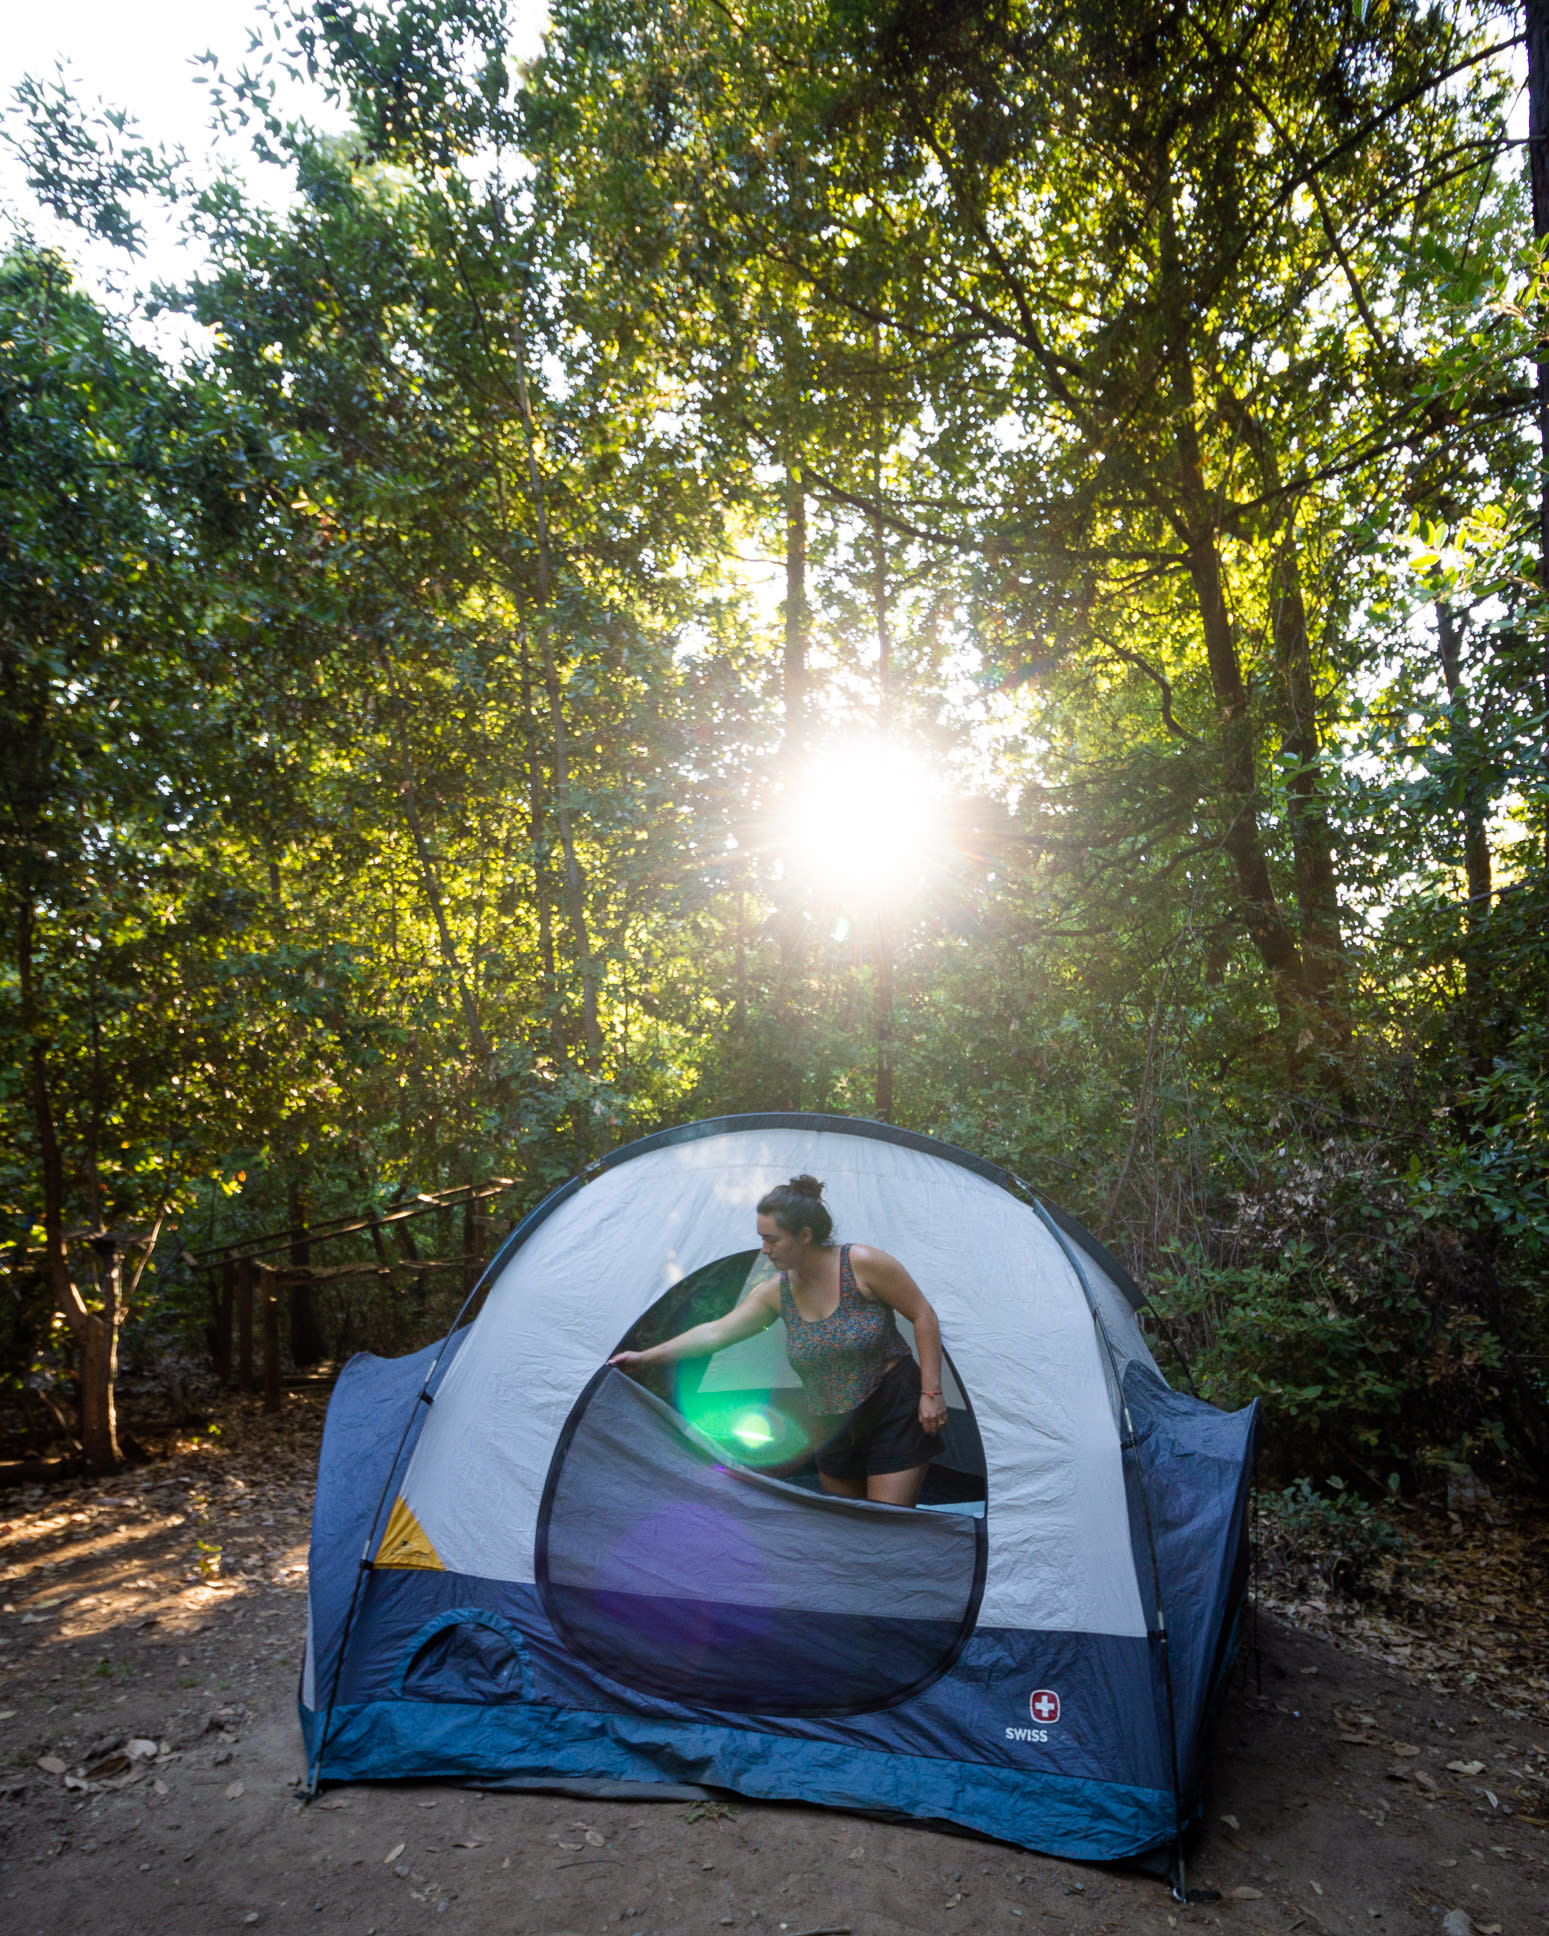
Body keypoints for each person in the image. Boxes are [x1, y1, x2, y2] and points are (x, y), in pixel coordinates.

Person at [609, 1174, 948, 1507]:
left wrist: (930, 1393)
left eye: (772, 1239)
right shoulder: (776, 1293)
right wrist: (644, 1357)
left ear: (804, 1235)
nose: (764, 1248)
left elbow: (923, 1315)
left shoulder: (862, 1264)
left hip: (893, 1405)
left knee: (888, 1527)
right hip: (832, 1419)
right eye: (762, 1238)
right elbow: (715, 1333)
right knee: (850, 1533)